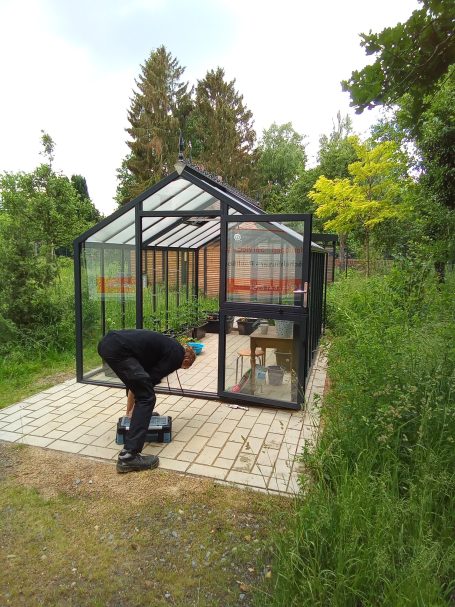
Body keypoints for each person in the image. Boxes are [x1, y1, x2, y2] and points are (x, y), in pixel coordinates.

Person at [98, 329, 196, 474]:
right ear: (186, 361)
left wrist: (130, 412)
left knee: (142, 390)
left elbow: (137, 384)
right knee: (147, 397)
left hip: (109, 343)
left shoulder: (171, 346)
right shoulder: (176, 356)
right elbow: (147, 385)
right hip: (119, 348)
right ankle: (128, 456)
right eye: (185, 368)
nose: (181, 369)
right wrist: (132, 410)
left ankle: (136, 420)